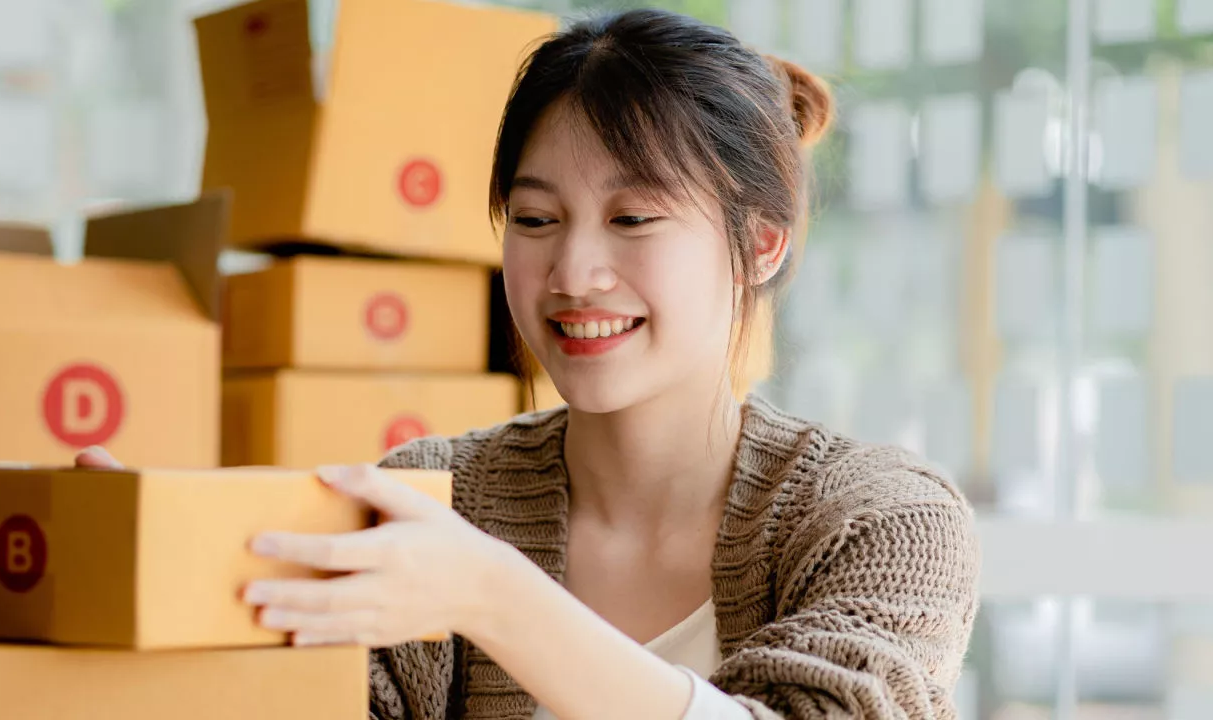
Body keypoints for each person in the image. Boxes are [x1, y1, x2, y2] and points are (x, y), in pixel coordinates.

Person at [77, 8, 979, 720]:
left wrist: (493, 594)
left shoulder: (881, 523)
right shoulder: (434, 495)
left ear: (760, 245)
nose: (574, 275)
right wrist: (181, 599)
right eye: (537, 220)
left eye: (633, 220)